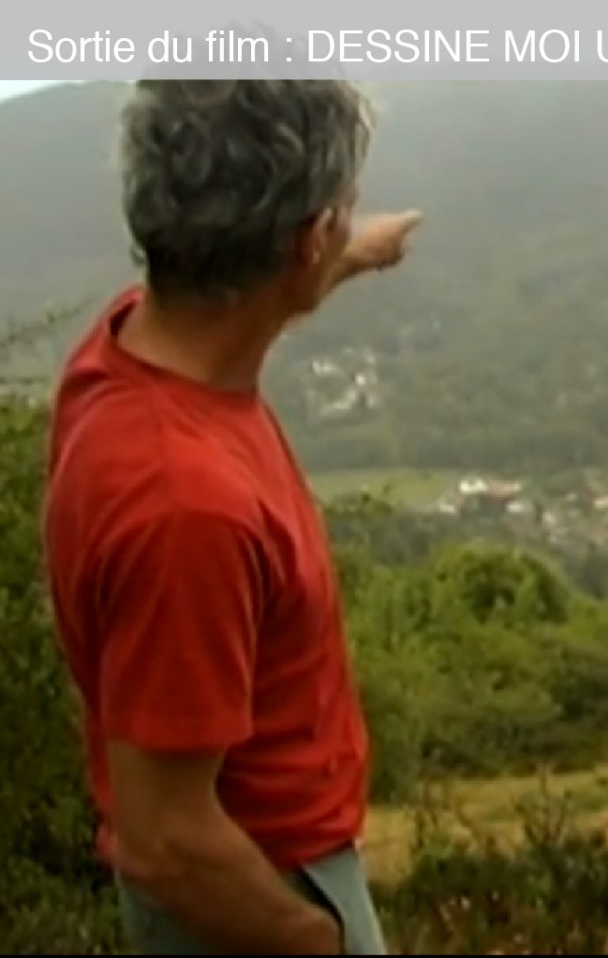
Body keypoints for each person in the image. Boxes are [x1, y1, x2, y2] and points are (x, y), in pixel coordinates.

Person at [42, 79, 422, 955]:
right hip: (250, 886)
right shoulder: (185, 506)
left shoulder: (128, 345)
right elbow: (166, 841)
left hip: (247, 867)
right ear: (303, 242)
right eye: (339, 216)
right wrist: (318, 942)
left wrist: (352, 250)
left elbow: (239, 294)